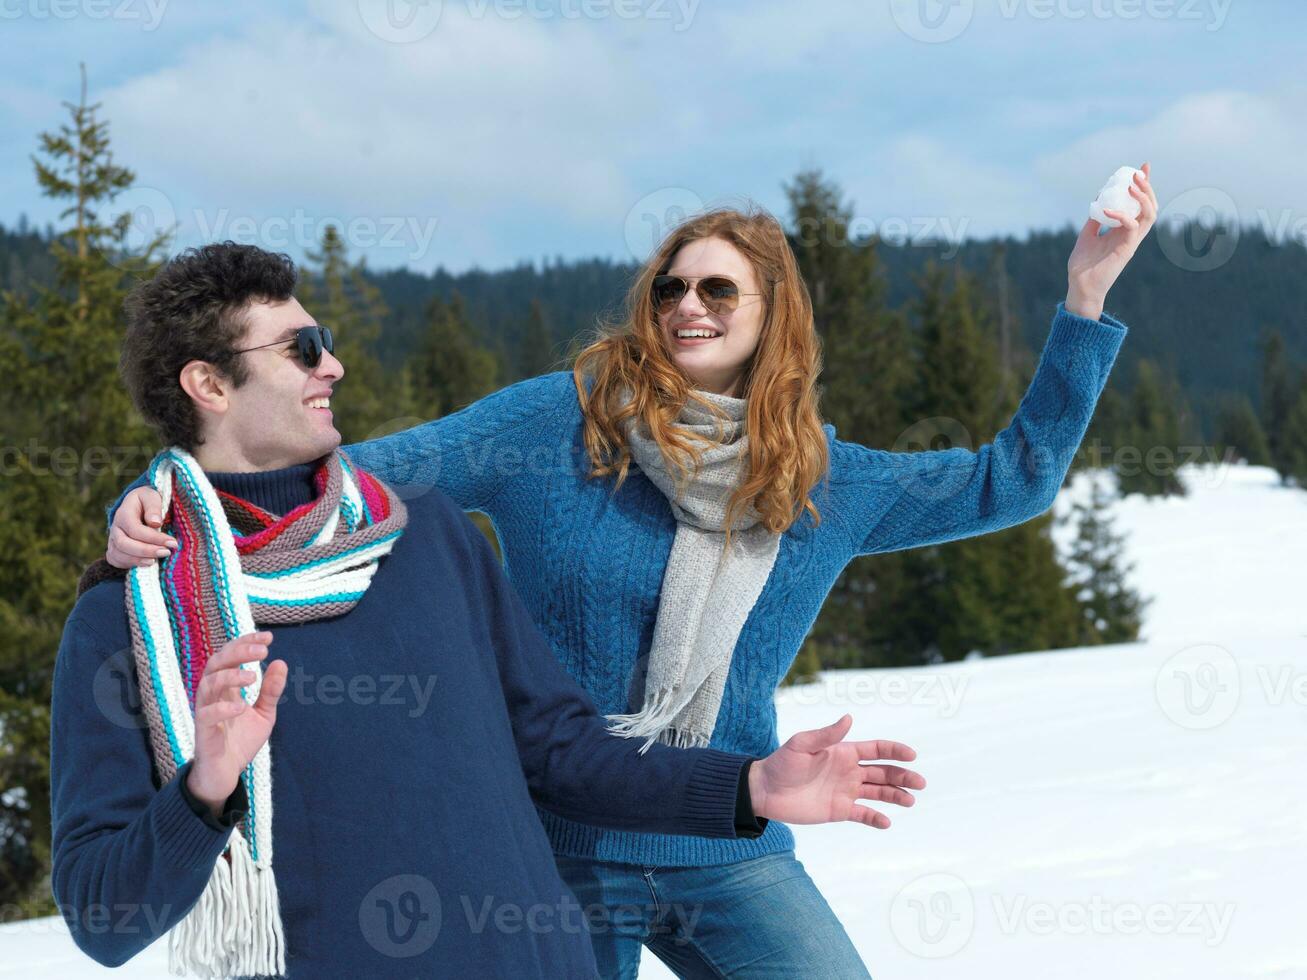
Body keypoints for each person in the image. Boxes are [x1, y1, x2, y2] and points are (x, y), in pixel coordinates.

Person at [106, 163, 1155, 978]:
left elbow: (1010, 477)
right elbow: (356, 477)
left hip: (727, 840)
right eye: (669, 285)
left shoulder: (825, 480)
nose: (685, 304)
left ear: (768, 313)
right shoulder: (556, 420)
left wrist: (1084, 292)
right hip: (554, 855)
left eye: (715, 288)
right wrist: (174, 489)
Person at [53, 243, 924, 979]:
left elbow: (559, 746)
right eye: (302, 347)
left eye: (326, 342)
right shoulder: (131, 619)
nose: (334, 365)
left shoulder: (422, 532)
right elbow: (103, 916)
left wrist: (747, 785)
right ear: (208, 382)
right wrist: (205, 789)